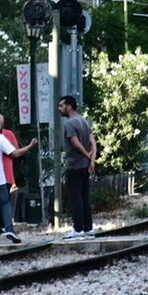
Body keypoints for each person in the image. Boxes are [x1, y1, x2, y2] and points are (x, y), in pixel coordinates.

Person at [58, 95, 97, 240]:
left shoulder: (69, 123)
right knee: (85, 196)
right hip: (85, 166)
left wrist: (86, 155)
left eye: (61, 105)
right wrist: (91, 161)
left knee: (76, 198)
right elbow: (93, 143)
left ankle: (78, 229)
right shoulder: (84, 121)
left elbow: (74, 142)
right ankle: (88, 229)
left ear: (69, 106)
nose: (59, 108)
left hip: (74, 165)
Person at [0, 113, 19, 220]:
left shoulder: (8, 134)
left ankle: (2, 225)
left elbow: (15, 150)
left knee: (4, 199)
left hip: (6, 172)